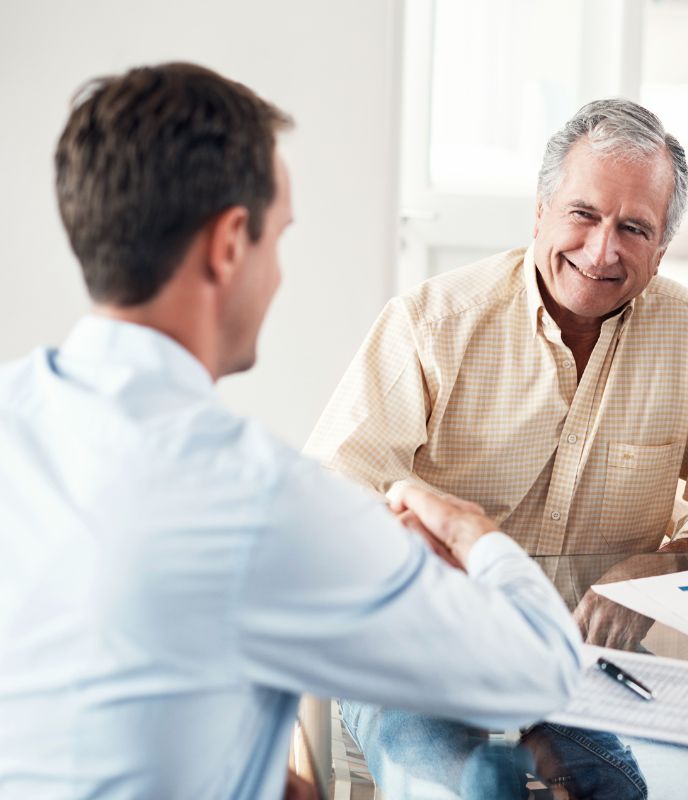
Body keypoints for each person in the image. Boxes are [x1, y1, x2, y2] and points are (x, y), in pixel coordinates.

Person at [0, 62, 582, 800]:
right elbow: (542, 666)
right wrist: (474, 533)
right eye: (278, 239)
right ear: (229, 243)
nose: (277, 276)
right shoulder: (258, 499)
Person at [306, 98, 688, 797]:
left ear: (662, 247)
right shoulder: (431, 324)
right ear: (540, 212)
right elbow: (331, 498)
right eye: (584, 215)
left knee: (617, 791)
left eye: (633, 228)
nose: (602, 251)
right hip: (415, 656)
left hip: (577, 666)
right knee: (471, 790)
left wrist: (656, 568)